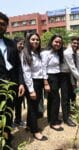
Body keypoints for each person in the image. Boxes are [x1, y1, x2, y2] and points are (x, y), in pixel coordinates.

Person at [0, 12, 25, 149]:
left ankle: (7, 139)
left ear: (6, 27)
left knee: (8, 112)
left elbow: (18, 66)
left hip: (11, 85)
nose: (0, 26)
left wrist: (21, 83)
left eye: (3, 24)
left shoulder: (10, 43)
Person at [21, 33, 49, 140]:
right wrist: (31, 90)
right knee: (33, 107)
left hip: (39, 82)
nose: (35, 41)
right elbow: (26, 72)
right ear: (28, 40)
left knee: (33, 105)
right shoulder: (25, 53)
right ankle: (35, 131)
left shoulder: (38, 53)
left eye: (37, 39)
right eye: (33, 39)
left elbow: (42, 69)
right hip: (31, 83)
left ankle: (29, 125)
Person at [41, 34, 64, 131]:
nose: (58, 44)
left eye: (60, 42)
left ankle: (50, 118)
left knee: (51, 99)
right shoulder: (46, 53)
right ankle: (54, 122)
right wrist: (45, 83)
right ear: (51, 42)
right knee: (56, 100)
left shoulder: (58, 53)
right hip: (50, 78)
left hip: (57, 77)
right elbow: (43, 68)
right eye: (56, 41)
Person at [13, 37, 26, 127]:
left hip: (22, 81)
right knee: (11, 103)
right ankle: (9, 122)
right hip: (13, 82)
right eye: (20, 44)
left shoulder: (23, 54)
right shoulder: (11, 54)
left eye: (23, 44)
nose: (22, 46)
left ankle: (18, 120)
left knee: (19, 102)